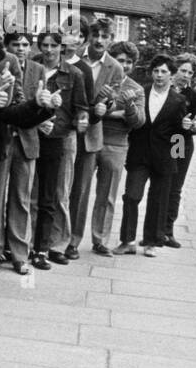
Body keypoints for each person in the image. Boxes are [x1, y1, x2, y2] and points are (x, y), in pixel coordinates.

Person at [66, 18, 126, 259]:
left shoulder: (115, 68)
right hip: (67, 129)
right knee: (65, 189)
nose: (99, 40)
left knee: (82, 189)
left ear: (111, 39)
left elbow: (112, 101)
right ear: (89, 36)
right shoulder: (73, 56)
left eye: (105, 36)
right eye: (96, 35)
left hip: (91, 134)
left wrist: (106, 104)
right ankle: (60, 238)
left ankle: (84, 241)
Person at [117, 55, 187, 256]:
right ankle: (127, 241)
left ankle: (151, 243)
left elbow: (179, 132)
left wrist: (177, 160)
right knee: (131, 196)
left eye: (164, 71)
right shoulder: (141, 92)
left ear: (171, 75)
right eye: (156, 71)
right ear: (151, 73)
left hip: (164, 158)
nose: (159, 75)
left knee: (158, 200)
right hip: (139, 155)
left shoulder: (178, 100)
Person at [0, 30, 56, 275]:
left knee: (21, 199)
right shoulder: (0, 65)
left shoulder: (37, 69)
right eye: (15, 44)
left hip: (27, 139)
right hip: (2, 138)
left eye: (24, 44)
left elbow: (41, 105)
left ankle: (20, 253)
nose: (20, 48)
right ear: (7, 46)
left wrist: (46, 113)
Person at [30, 29, 88, 269]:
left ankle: (52, 246)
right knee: (29, 194)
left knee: (55, 194)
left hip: (59, 138)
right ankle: (27, 245)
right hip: (32, 135)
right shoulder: (33, 68)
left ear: (61, 48)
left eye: (54, 46)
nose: (49, 50)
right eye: (44, 45)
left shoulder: (73, 74)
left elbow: (82, 108)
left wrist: (80, 121)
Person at [90, 41, 146, 254]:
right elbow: (91, 108)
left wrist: (128, 107)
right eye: (121, 60)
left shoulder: (136, 89)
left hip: (116, 144)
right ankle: (69, 241)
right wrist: (117, 113)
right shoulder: (99, 79)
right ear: (112, 60)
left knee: (107, 196)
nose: (125, 65)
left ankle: (100, 240)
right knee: (78, 191)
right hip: (91, 139)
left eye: (129, 61)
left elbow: (139, 121)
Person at [163, 53, 196, 247]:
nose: (186, 75)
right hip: (160, 141)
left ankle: (168, 230)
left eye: (190, 72)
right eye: (183, 70)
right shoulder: (163, 88)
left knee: (174, 185)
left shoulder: (193, 96)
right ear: (175, 70)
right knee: (159, 184)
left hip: (179, 142)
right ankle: (153, 228)